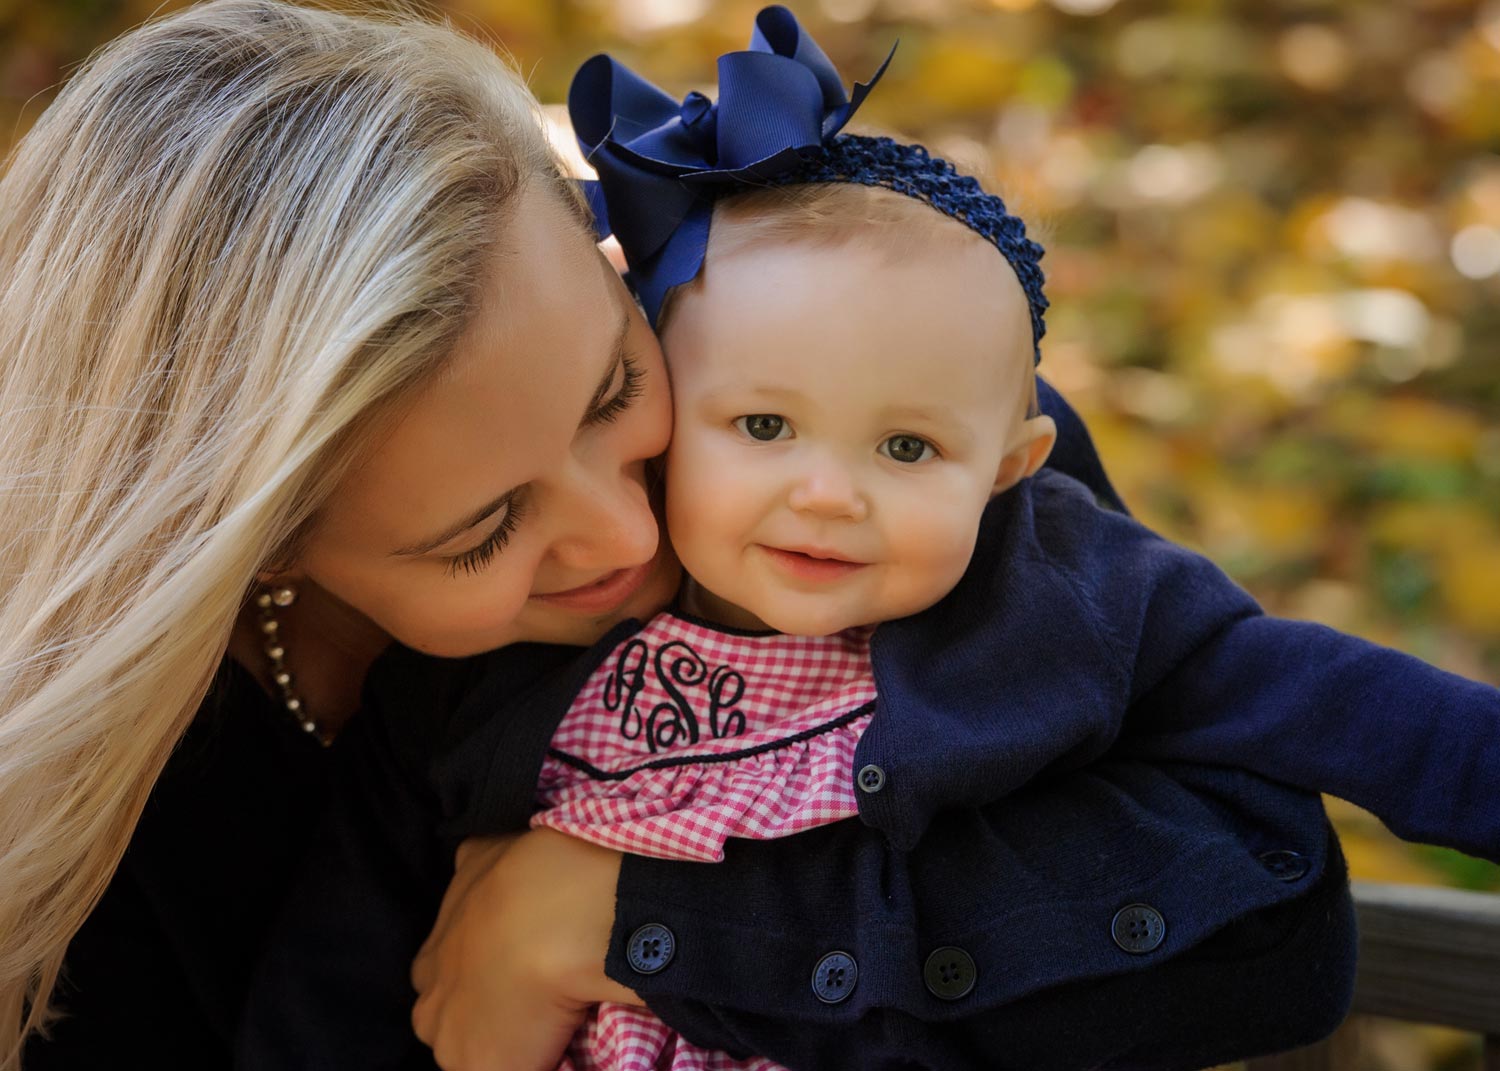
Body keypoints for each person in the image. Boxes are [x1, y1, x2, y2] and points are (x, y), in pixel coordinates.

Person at [0, 4, 1297, 1070]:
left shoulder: (864, 436)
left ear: (597, 240)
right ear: (258, 551)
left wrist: (634, 921)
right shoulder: (105, 826)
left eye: (616, 390)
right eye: (486, 529)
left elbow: (1268, 937)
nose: (628, 527)